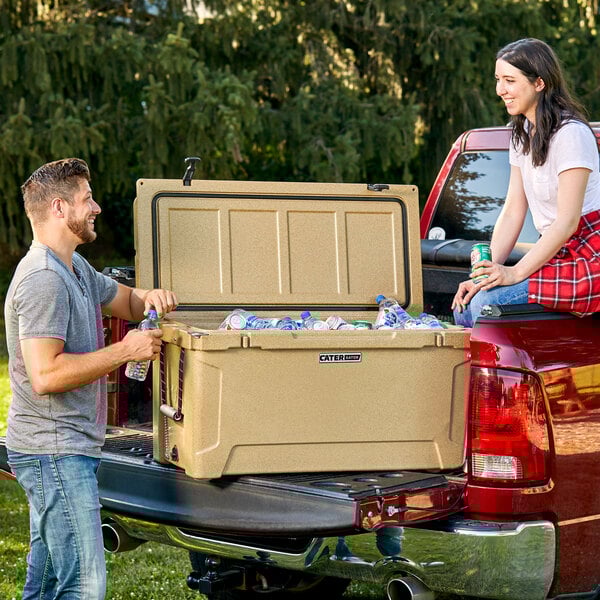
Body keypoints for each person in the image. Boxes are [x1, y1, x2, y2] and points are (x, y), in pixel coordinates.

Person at [4, 158, 178, 600]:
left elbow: (127, 302)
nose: (96, 207)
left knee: (46, 585)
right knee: (84, 586)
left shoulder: (75, 267)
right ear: (59, 208)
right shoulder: (44, 279)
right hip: (53, 450)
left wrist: (149, 298)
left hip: (64, 447)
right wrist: (126, 351)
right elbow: (45, 374)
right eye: (87, 199)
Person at [452, 38, 600, 327]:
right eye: (498, 80)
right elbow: (513, 210)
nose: (500, 90)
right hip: (557, 252)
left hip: (588, 254)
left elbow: (568, 222)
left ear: (539, 83)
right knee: (467, 302)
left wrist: (515, 273)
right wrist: (484, 274)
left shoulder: (571, 134)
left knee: (484, 305)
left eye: (510, 80)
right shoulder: (521, 133)